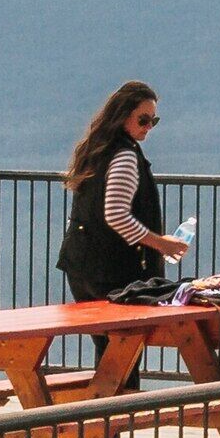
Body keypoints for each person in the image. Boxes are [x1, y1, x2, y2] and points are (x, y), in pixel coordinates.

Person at [58, 80, 186, 302]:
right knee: (133, 336)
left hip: (80, 264)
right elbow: (116, 214)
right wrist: (161, 244)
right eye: (143, 120)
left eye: (152, 121)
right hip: (113, 270)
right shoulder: (125, 157)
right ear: (123, 116)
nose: (148, 127)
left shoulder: (96, 150)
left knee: (107, 336)